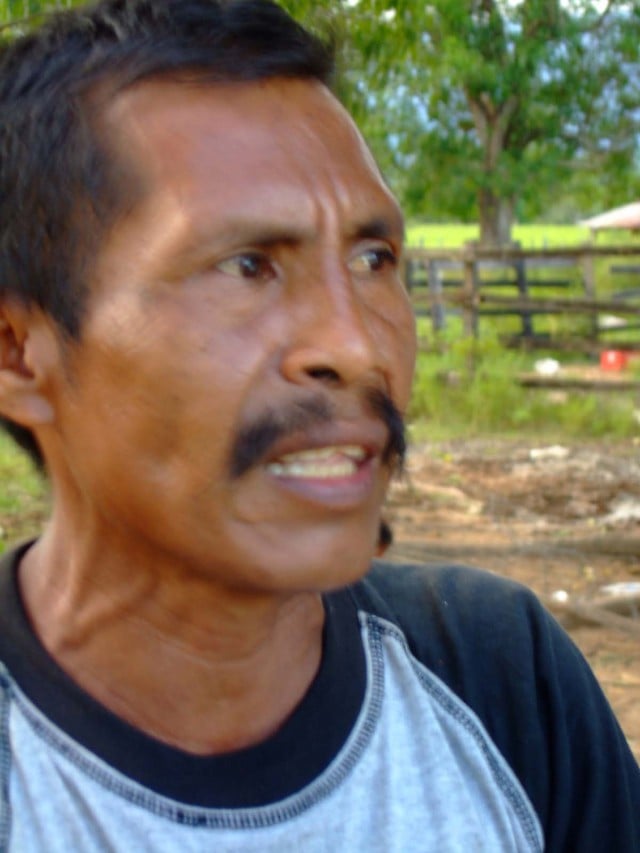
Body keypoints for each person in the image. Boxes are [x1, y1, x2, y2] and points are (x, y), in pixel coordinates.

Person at [0, 0, 637, 849]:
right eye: (247, 265)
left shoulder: (501, 678)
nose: (357, 345)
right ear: (17, 353)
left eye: (374, 260)